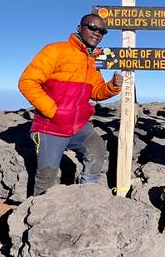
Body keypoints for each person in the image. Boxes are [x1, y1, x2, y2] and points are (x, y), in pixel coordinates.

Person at [18, 14, 123, 195]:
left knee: (96, 148)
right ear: (79, 28)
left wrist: (112, 87)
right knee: (47, 174)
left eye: (102, 31)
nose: (97, 33)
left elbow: (96, 92)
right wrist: (54, 112)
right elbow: (27, 82)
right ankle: (39, 215)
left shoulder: (91, 61)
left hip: (78, 126)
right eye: (92, 27)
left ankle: (87, 193)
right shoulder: (55, 50)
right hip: (51, 127)